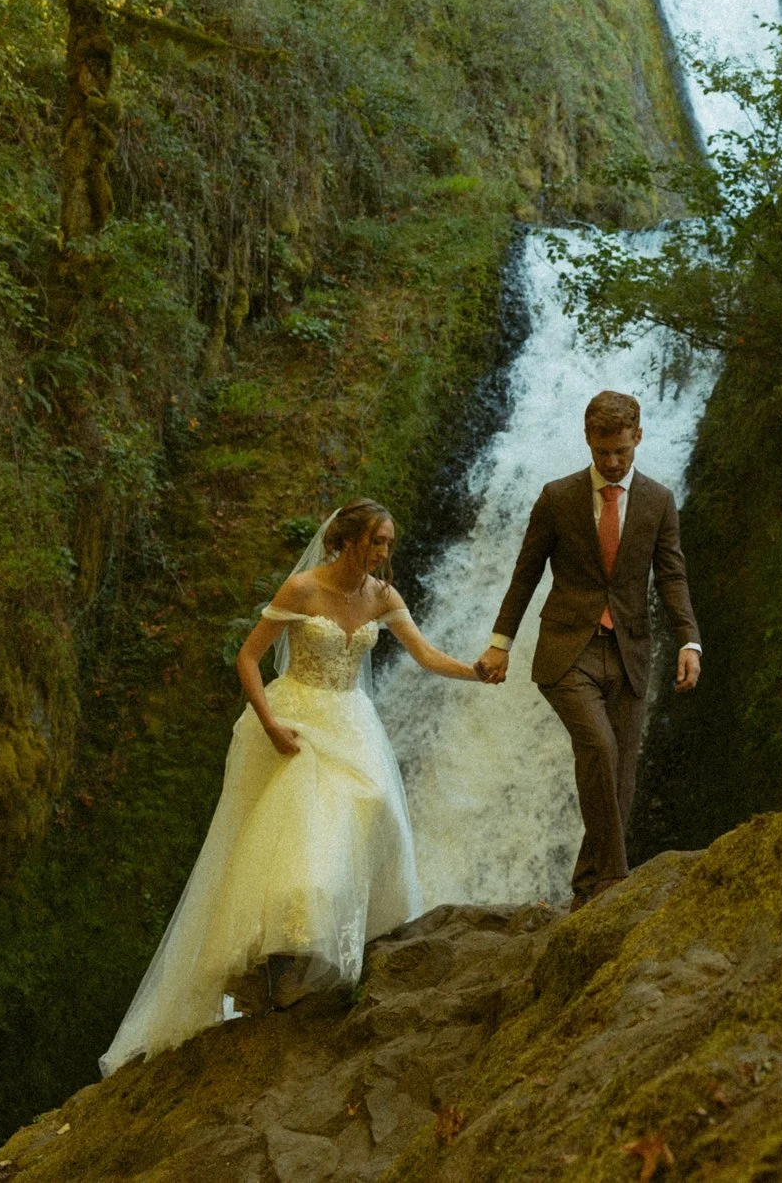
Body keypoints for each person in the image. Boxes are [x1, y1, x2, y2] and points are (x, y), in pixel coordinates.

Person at [99, 500, 479, 1075]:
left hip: (352, 722)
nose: (384, 553)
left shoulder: (381, 596)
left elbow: (424, 654)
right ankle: (276, 969)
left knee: (373, 805)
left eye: (389, 543)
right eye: (377, 541)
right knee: (299, 835)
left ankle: (342, 951)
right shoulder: (303, 588)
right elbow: (249, 657)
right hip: (296, 720)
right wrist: (271, 723)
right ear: (346, 541)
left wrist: (478, 671)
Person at [474, 391, 702, 911]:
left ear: (637, 438)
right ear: (588, 441)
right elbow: (526, 573)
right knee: (599, 749)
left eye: (621, 450)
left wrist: (689, 639)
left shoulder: (658, 501)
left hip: (629, 652)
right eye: (603, 452)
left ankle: (585, 892)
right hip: (567, 651)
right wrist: (499, 644)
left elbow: (671, 575)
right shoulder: (557, 497)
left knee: (620, 776)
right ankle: (618, 883)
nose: (613, 462)